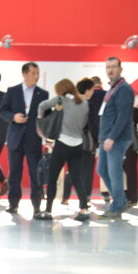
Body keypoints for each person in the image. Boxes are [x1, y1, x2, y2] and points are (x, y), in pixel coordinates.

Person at [36, 78, 91, 221]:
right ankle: (84, 209)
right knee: (77, 178)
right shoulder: (85, 103)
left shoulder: (63, 100)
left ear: (61, 90)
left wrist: (41, 118)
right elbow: (84, 124)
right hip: (78, 144)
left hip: (62, 144)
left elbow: (42, 105)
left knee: (53, 177)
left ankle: (48, 211)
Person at [0, 62, 49, 214]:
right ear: (25, 74)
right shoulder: (12, 91)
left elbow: (46, 118)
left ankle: (36, 204)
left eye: (38, 73)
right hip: (15, 138)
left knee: (36, 173)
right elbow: (2, 111)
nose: (36, 76)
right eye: (34, 73)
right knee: (14, 173)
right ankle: (13, 203)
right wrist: (13, 117)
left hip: (34, 139)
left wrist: (47, 137)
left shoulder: (43, 94)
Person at [97, 57, 135, 219]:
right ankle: (120, 201)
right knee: (103, 170)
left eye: (113, 67)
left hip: (116, 138)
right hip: (107, 137)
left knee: (114, 172)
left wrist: (112, 137)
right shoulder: (113, 88)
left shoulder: (124, 89)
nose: (110, 70)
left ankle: (118, 205)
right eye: (108, 67)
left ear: (120, 69)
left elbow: (123, 116)